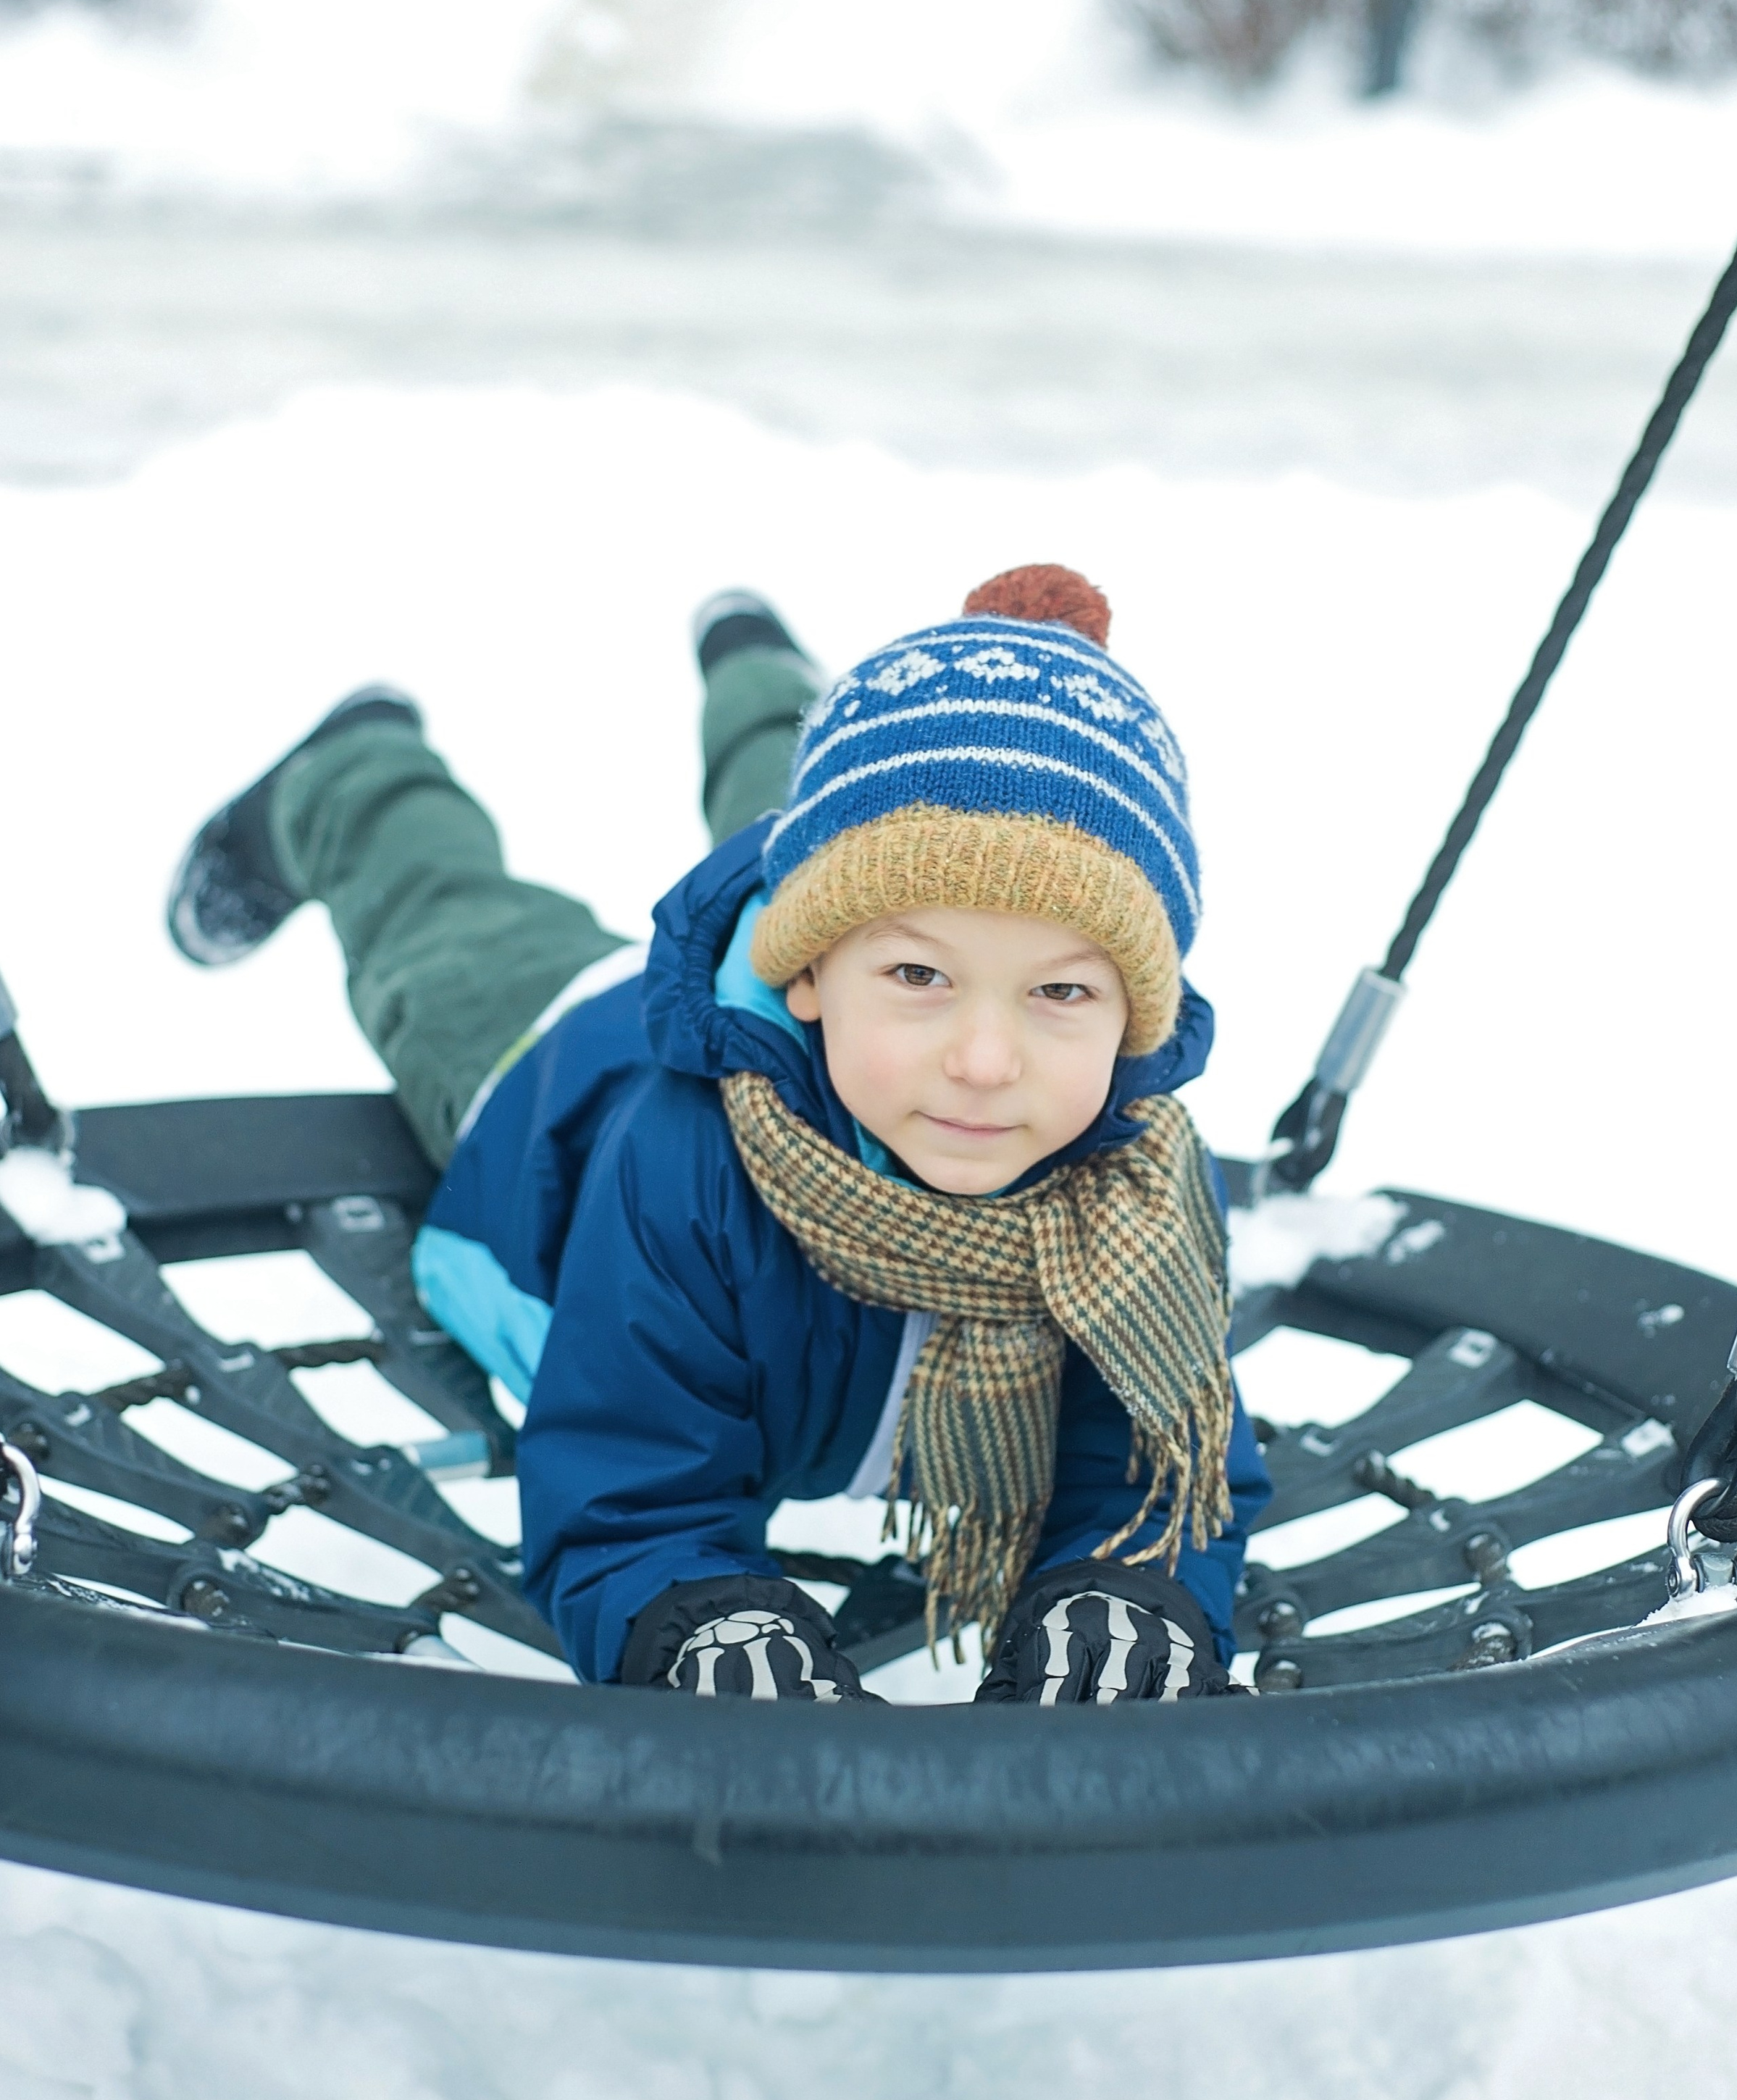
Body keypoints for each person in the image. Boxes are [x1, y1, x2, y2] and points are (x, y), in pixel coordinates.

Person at [167, 565, 1270, 1703]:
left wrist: (1131, 1586)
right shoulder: (683, 1171)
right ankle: (354, 770)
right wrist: (695, 1614)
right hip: (549, 1059)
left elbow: (1159, 1460)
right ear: (804, 975)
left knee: (803, 817)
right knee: (445, 919)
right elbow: (630, 1481)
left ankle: (766, 683)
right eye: (917, 975)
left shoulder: (1136, 1188)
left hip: (816, 931)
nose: (985, 1062)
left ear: (1135, 1011)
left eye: (1061, 995)